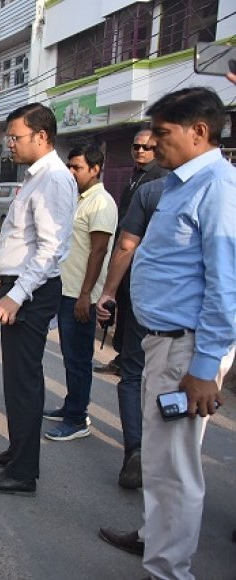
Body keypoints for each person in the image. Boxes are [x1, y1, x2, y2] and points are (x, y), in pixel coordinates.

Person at [97, 87, 236, 580]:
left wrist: (204, 369)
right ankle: (155, 541)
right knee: (160, 460)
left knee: (176, 470)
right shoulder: (181, 183)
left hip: (187, 350)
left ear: (199, 131)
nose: (152, 144)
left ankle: (169, 571)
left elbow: (225, 285)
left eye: (161, 133)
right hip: (163, 342)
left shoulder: (218, 186)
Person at [0, 103, 76, 496]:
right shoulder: (34, 178)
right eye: (9, 137)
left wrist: (14, 296)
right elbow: (23, 241)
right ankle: (17, 452)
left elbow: (50, 251)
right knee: (15, 381)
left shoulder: (54, 180)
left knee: (25, 383)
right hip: (18, 286)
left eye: (16, 137)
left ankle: (23, 472)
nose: (8, 144)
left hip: (30, 293)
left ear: (42, 137)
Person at [93, 176, 166, 489]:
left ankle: (136, 449)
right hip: (186, 310)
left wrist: (108, 291)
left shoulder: (150, 191)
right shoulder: (223, 187)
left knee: (135, 376)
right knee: (169, 384)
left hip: (146, 297)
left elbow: (125, 245)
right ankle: (159, 459)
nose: (142, 150)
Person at [43, 143, 117, 441]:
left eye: (77, 167)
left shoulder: (101, 202)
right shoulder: (79, 198)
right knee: (71, 356)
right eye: (69, 166)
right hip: (67, 289)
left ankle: (77, 420)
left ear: (96, 169)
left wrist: (86, 294)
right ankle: (71, 406)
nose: (71, 172)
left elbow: (99, 252)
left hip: (80, 295)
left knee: (78, 359)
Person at [95, 129, 168, 375]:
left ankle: (132, 365)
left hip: (140, 259)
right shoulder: (135, 176)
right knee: (123, 310)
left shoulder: (159, 179)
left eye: (146, 147)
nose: (140, 151)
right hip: (125, 256)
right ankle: (123, 358)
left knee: (136, 315)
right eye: (136, 147)